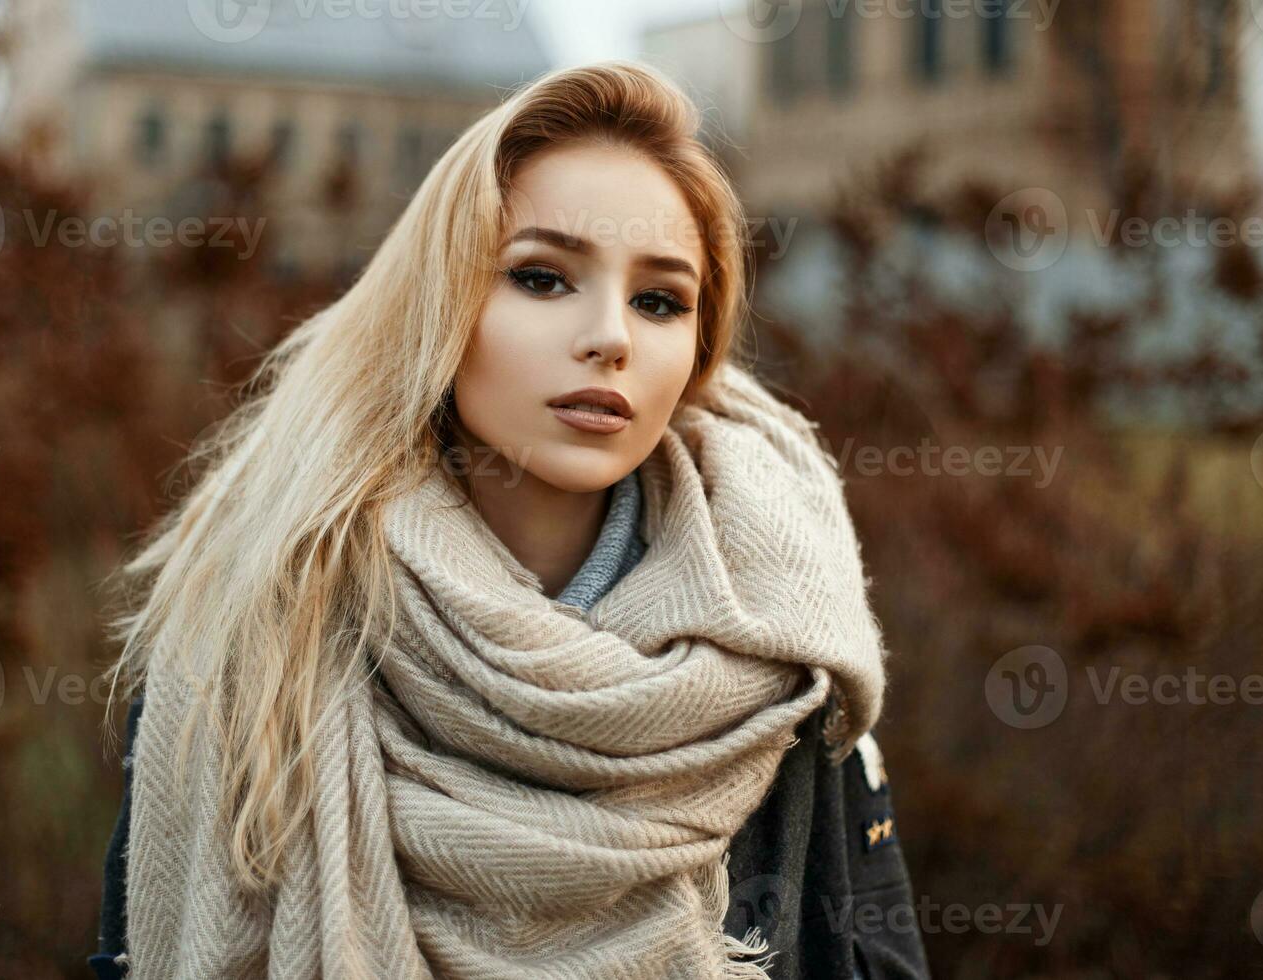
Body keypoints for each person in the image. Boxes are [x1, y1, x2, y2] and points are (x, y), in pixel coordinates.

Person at [90, 61, 930, 980]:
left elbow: (867, 955)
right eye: (541, 277)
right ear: (439, 303)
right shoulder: (257, 629)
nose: (610, 334)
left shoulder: (781, 646)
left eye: (659, 300)